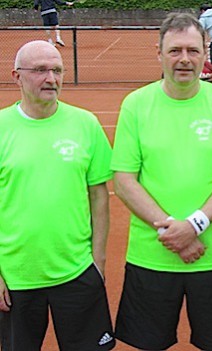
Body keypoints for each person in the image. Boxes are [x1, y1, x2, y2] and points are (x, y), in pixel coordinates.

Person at [111, 12, 212, 351]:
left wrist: (195, 225)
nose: (184, 59)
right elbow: (125, 180)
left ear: (204, 54)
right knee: (149, 344)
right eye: (174, 51)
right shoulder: (135, 105)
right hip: (151, 257)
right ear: (159, 54)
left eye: (192, 50)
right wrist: (174, 229)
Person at [0, 40, 115, 350]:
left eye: (57, 70)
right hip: (15, 277)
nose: (51, 78)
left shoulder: (86, 124)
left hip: (77, 271)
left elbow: (98, 196)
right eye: (40, 70)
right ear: (17, 76)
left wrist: (98, 261)